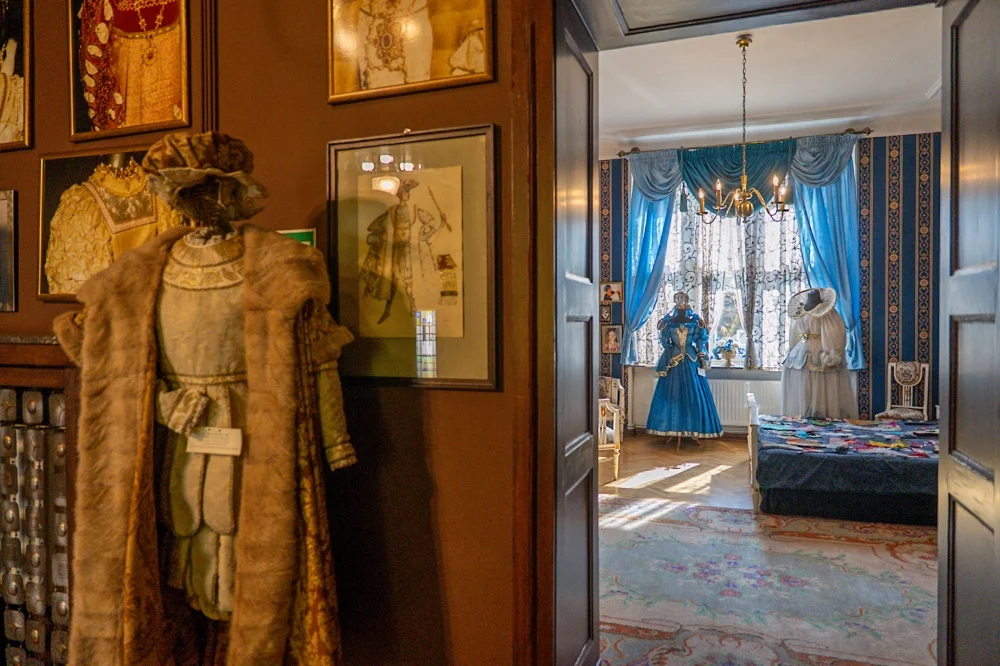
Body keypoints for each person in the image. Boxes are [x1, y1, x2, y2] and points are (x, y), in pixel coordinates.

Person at [360, 178, 449, 324]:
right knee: (393, 279)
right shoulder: (391, 211)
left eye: (408, 191)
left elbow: (431, 222)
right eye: (406, 191)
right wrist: (381, 236)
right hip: (395, 250)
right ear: (400, 193)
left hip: (410, 250)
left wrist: (438, 225)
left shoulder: (414, 210)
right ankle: (389, 310)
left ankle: (413, 307)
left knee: (408, 279)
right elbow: (373, 226)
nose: (408, 194)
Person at [645, 292, 723, 444]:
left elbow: (701, 337)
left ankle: (693, 429)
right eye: (678, 299)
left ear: (687, 300)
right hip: (673, 361)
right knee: (672, 395)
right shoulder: (668, 321)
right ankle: (674, 428)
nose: (680, 301)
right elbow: (665, 341)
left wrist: (701, 352)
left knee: (693, 395)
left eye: (683, 299)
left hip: (691, 360)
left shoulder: (695, 320)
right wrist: (669, 352)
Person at [781, 287, 858, 418]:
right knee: (804, 386)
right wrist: (792, 349)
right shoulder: (800, 312)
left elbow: (833, 332)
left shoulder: (827, 312)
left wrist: (832, 352)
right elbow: (794, 334)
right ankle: (803, 416)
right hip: (801, 351)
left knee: (822, 385)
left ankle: (823, 415)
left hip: (821, 349)